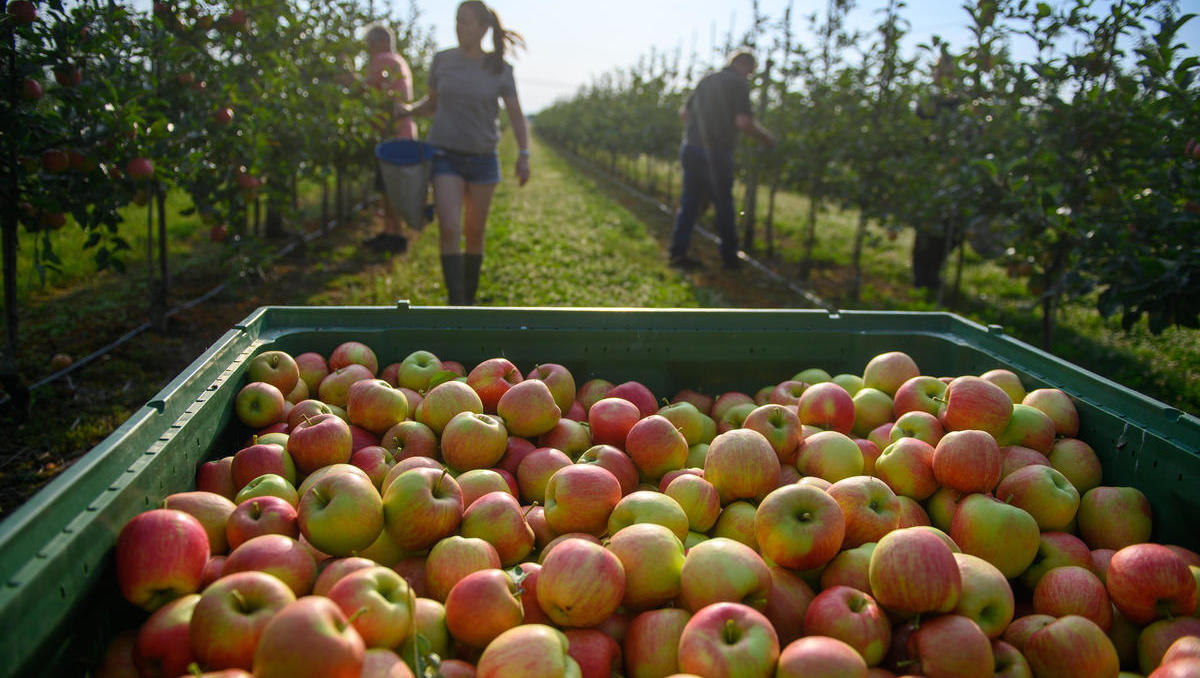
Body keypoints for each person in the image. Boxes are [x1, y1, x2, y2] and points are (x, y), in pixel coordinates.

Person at [398, 1, 530, 305]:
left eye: (466, 23)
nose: (459, 28)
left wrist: (524, 154)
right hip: (445, 155)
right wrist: (407, 110)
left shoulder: (499, 68)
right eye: (457, 21)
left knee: (474, 232)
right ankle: (455, 302)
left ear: (484, 28)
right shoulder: (442, 60)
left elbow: (516, 115)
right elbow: (431, 104)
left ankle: (468, 301)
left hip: (483, 159)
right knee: (450, 227)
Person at [669, 49, 775, 271]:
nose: (749, 77)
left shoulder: (708, 79)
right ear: (745, 66)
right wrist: (766, 139)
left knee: (690, 201)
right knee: (724, 205)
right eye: (750, 73)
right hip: (717, 153)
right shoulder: (738, 84)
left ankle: (678, 254)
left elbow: (683, 114)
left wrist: (694, 135)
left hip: (690, 147)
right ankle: (729, 258)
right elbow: (743, 122)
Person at [363, 21, 418, 253]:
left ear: (382, 42)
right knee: (386, 186)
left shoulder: (385, 60)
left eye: (370, 44)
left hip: (394, 134)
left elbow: (364, 89)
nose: (369, 50)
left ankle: (396, 236)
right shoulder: (398, 61)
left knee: (390, 187)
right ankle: (390, 232)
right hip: (399, 133)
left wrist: (348, 82)